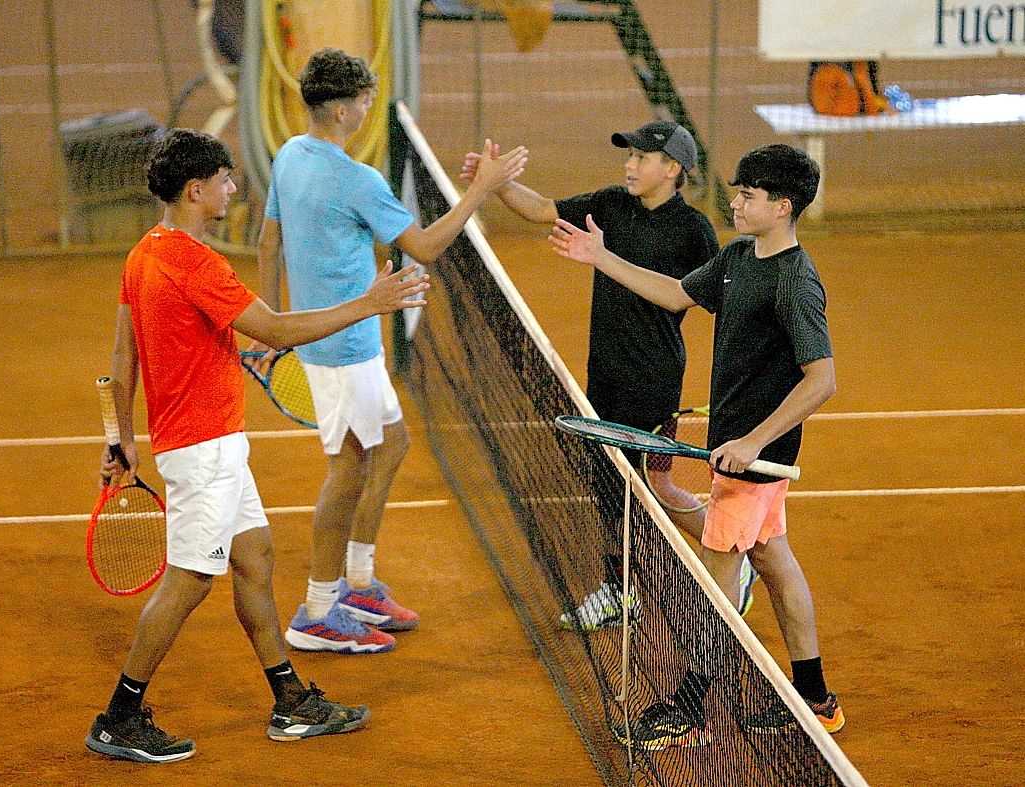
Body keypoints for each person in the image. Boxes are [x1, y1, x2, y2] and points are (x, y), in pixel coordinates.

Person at [85, 128, 431, 763]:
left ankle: (290, 701)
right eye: (224, 179)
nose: (233, 189)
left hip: (209, 444)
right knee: (190, 580)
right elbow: (272, 327)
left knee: (255, 558)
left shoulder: (144, 254)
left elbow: (121, 355)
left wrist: (119, 434)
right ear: (196, 190)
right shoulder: (197, 263)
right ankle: (120, 716)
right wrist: (371, 302)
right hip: (203, 449)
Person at [549, 143, 844, 746]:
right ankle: (816, 699)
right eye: (736, 192)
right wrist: (602, 257)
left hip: (756, 456)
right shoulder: (739, 258)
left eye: (748, 196)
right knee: (773, 561)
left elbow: (823, 379)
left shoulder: (793, 281)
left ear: (783, 206)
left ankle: (687, 704)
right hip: (742, 449)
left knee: (712, 585)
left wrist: (752, 441)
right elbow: (677, 293)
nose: (734, 202)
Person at [253, 47, 527, 654]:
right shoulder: (358, 180)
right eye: (366, 98)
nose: (370, 107)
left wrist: (271, 323)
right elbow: (426, 247)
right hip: (346, 345)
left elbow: (268, 240)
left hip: (336, 340)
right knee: (348, 468)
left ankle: (355, 583)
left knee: (392, 443)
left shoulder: (290, 157)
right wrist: (481, 189)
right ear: (348, 108)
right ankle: (318, 610)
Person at [460, 121, 759, 630]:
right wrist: (497, 184)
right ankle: (627, 585)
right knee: (611, 485)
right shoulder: (612, 205)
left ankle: (717, 556)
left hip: (653, 375)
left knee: (647, 486)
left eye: (642, 158)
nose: (630, 164)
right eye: (630, 155)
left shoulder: (693, 231)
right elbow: (541, 210)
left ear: (672, 169)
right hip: (605, 369)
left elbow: (712, 298)